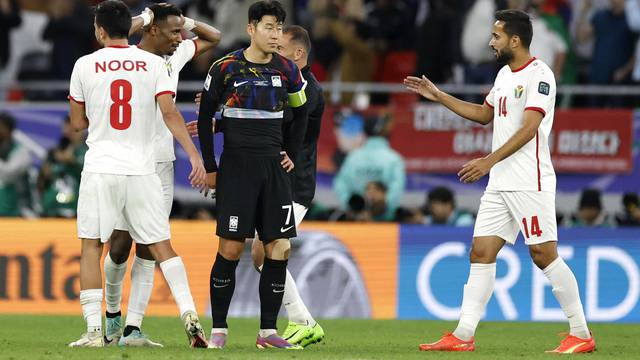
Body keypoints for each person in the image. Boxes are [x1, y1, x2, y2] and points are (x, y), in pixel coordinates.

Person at [404, 9, 595, 354]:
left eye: (496, 36)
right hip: (500, 182)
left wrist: (488, 160)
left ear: (515, 40)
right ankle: (463, 335)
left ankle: (581, 332)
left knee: (543, 254)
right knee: (481, 251)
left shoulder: (540, 76)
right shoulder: (505, 75)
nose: (491, 42)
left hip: (528, 179)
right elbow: (483, 114)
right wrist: (440, 95)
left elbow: (529, 127)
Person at [66, 0, 207, 348]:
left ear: (100, 30)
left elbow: (76, 124)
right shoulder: (152, 64)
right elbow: (171, 113)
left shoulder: (84, 65)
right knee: (161, 245)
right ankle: (189, 312)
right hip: (144, 170)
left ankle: (95, 332)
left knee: (91, 247)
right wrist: (193, 155)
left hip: (101, 167)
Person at [100, 3, 221, 348]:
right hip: (128, 163)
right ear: (151, 30)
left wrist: (185, 21)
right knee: (120, 246)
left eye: (181, 32)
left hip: (161, 165)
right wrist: (145, 17)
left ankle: (132, 328)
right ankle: (112, 315)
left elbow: (215, 37)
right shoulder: (125, 58)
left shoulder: (176, 53)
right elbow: (109, 38)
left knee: (151, 247)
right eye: (172, 32)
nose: (180, 38)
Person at [196, 0, 308, 350]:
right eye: (268, 27)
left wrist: (290, 152)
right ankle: (219, 330)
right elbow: (203, 119)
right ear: (251, 29)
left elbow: (301, 113)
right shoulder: (225, 67)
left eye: (278, 28)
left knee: (280, 247)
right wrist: (211, 168)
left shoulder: (289, 70)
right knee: (230, 248)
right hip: (237, 169)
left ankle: (267, 332)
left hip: (274, 171)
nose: (275, 35)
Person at [249, 24, 325, 347]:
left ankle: (302, 320)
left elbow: (279, 127)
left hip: (296, 185)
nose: (274, 54)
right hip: (280, 182)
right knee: (261, 253)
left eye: (280, 50)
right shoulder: (283, 83)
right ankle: (302, 319)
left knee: (266, 251)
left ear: (298, 53)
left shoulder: (307, 89)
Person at [333, 114, 406, 221]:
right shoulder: (394, 159)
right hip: (385, 223)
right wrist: (385, 209)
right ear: (383, 131)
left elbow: (340, 184)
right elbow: (396, 188)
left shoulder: (353, 157)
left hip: (357, 220)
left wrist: (353, 208)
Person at [0, 112, 31, 217]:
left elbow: (8, 175)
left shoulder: (20, 152)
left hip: (16, 212)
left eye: (1, 127)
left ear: (9, 130)